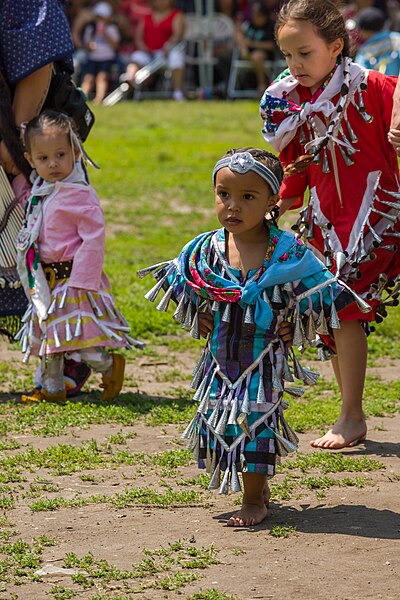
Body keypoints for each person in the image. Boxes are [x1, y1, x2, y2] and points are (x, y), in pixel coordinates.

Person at [140, 147, 356, 527]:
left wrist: (292, 323)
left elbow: (321, 294)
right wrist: (201, 313)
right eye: (224, 195)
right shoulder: (204, 250)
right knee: (219, 424)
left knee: (255, 424)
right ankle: (252, 489)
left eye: (248, 197)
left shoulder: (288, 254)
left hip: (263, 360)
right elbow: (184, 283)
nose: (232, 206)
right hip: (219, 360)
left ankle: (254, 498)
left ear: (273, 200)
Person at [260, 0, 400, 450]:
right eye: (287, 56)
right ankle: (350, 411)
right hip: (324, 221)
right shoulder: (287, 100)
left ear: (336, 46)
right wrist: (281, 200)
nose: (295, 65)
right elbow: (298, 164)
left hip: (375, 215)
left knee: (343, 308)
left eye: (305, 52)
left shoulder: (373, 87)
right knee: (330, 313)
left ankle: (352, 415)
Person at [15, 110, 139, 403]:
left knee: (82, 343)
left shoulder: (80, 194)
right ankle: (53, 389)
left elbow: (94, 238)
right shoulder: (39, 191)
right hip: (45, 283)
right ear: (30, 159)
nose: (53, 163)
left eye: (60, 154)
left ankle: (108, 366)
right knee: (51, 338)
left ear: (75, 151)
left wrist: (83, 280)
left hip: (74, 282)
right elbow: (25, 206)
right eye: (43, 158)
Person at [120, 0, 186, 101]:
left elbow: (177, 35)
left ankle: (177, 92)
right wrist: (142, 47)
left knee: (176, 57)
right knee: (136, 56)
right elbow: (138, 38)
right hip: (148, 53)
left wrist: (168, 46)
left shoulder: (176, 15)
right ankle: (130, 79)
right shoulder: (146, 17)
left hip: (166, 53)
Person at [80, 2, 122, 104]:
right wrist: (90, 46)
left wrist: (105, 34)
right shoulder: (91, 29)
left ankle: (99, 99)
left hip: (107, 57)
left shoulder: (112, 29)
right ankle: (81, 98)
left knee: (102, 77)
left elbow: (116, 45)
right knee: (88, 77)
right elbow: (87, 44)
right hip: (93, 57)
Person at [234, 1, 277, 95]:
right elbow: (239, 36)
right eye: (253, 14)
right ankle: (244, 51)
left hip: (265, 55)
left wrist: (252, 44)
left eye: (257, 15)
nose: (254, 17)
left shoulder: (270, 26)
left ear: (263, 16)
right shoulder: (249, 25)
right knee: (238, 35)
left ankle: (261, 84)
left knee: (256, 56)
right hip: (246, 52)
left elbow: (272, 45)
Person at [354, 7, 400, 76]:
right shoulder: (397, 39)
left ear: (363, 30)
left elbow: (360, 76)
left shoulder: (365, 51)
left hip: (382, 86)